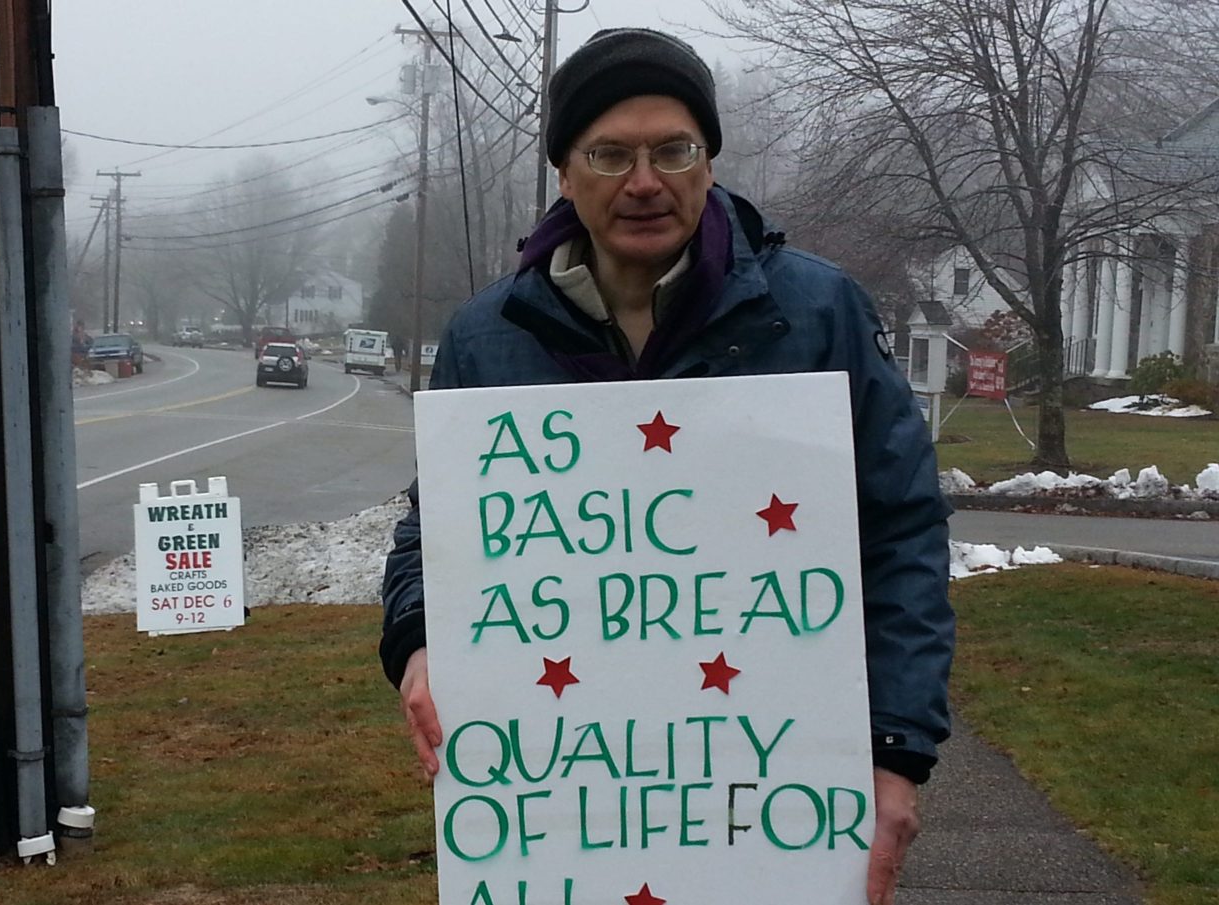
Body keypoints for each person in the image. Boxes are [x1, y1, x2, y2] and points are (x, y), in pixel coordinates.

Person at [379, 27, 954, 905]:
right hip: (567, 812)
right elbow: (438, 525)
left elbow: (901, 528)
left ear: (709, 162)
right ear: (565, 175)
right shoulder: (487, 336)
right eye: (610, 154)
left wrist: (896, 753)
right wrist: (419, 639)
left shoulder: (817, 312)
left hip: (776, 801)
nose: (645, 181)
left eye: (673, 149)